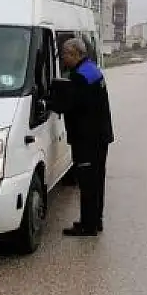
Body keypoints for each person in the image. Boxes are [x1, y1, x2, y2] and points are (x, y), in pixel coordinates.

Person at [52, 37, 114, 236]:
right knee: (97, 181)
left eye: (65, 55)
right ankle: (96, 220)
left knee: (87, 182)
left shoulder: (79, 76)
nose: (63, 59)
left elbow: (72, 105)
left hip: (87, 138)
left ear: (75, 54)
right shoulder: (92, 69)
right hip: (100, 135)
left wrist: (51, 102)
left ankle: (87, 226)